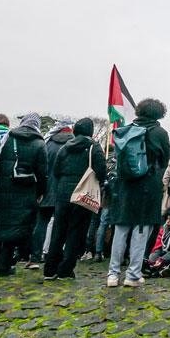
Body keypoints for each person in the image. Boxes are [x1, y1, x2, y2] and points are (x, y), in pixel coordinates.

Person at [107, 98, 170, 288]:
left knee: (121, 228)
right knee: (141, 231)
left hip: (125, 186)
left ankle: (113, 274)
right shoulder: (160, 133)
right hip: (147, 186)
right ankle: (133, 274)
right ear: (159, 114)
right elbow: (164, 159)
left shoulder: (126, 130)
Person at [0, 112, 48, 276]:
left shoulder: (8, 138)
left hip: (1, 188)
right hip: (25, 190)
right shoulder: (40, 144)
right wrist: (40, 192)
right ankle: (4, 265)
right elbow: (42, 172)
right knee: (15, 229)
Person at [44, 118, 107, 281]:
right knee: (76, 232)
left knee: (58, 231)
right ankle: (66, 269)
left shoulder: (65, 148)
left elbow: (56, 170)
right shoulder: (94, 147)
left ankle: (50, 268)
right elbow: (101, 171)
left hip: (63, 192)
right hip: (83, 193)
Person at [28, 121, 73, 269]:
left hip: (47, 188)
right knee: (60, 227)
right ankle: (55, 257)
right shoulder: (73, 145)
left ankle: (35, 257)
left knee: (41, 223)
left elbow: (41, 167)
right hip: (65, 191)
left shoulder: (47, 144)